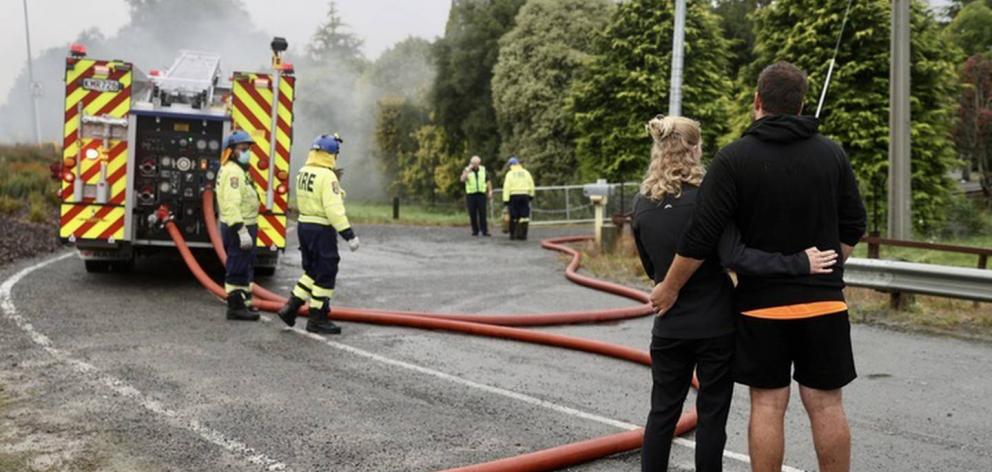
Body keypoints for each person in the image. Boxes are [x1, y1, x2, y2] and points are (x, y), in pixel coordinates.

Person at [650, 62, 867, 472]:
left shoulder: (733, 160)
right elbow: (855, 223)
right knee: (826, 404)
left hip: (760, 309)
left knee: (768, 404)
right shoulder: (832, 154)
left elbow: (701, 236)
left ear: (757, 101)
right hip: (824, 307)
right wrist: (825, 270)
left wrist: (671, 287)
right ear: (801, 105)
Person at [276, 134, 360, 334]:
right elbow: (333, 209)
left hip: (304, 225)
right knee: (326, 271)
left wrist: (337, 190)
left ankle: (290, 307)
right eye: (335, 154)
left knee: (312, 271)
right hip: (321, 229)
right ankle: (317, 317)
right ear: (330, 154)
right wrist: (349, 234)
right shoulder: (327, 176)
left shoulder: (303, 171)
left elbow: (315, 199)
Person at [216, 130, 261, 322]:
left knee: (245, 265)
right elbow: (231, 204)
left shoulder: (238, 170)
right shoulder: (233, 173)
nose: (247, 152)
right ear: (231, 151)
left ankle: (244, 303)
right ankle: (235, 307)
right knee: (237, 265)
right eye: (243, 149)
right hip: (238, 226)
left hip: (245, 224)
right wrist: (242, 230)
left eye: (248, 149)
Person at [501, 156, 535, 240]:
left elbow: (506, 187)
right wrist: (531, 195)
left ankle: (513, 235)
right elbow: (531, 185)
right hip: (524, 196)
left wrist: (505, 200)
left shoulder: (510, 174)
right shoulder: (526, 173)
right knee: (524, 217)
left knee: (513, 216)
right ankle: (523, 235)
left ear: (511, 165)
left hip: (513, 196)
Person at [460, 155, 493, 236]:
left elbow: (488, 181)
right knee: (472, 213)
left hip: (481, 194)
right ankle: (475, 231)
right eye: (474, 163)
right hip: (471, 195)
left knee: (483, 213)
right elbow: (462, 179)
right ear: (471, 163)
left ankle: (485, 231)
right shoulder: (467, 170)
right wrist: (467, 171)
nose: (475, 165)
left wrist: (490, 191)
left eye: (477, 163)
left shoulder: (483, 169)